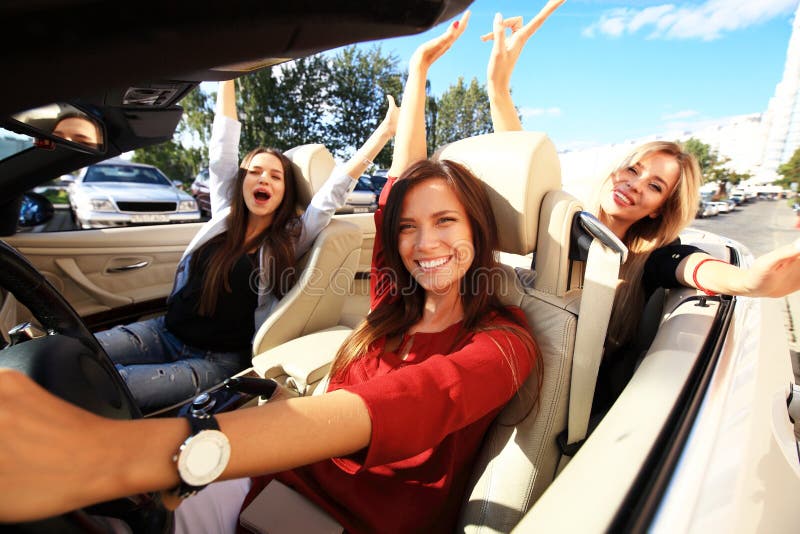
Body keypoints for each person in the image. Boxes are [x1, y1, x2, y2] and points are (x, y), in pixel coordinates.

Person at [0, 11, 542, 533]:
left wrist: (115, 455)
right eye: (408, 229)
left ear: (479, 229)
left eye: (446, 221)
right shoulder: (393, 300)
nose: (424, 243)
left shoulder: (504, 344)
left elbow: (382, 409)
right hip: (281, 479)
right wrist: (418, 73)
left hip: (354, 520)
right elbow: (392, 198)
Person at [483, 0, 800, 408]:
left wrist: (751, 282)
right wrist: (497, 87)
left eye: (653, 186)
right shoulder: (562, 221)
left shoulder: (650, 260)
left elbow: (693, 266)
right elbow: (522, 161)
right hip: (501, 369)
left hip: (562, 408)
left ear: (658, 210)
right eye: (632, 169)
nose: (633, 185)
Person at [94, 80, 398, 413]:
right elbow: (223, 146)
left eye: (275, 176)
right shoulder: (224, 212)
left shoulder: (291, 237)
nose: (264, 179)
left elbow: (332, 194)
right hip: (164, 331)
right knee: (84, 352)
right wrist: (227, 77)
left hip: (215, 361)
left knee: (108, 387)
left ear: (285, 191)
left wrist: (383, 134)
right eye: (255, 171)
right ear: (242, 181)